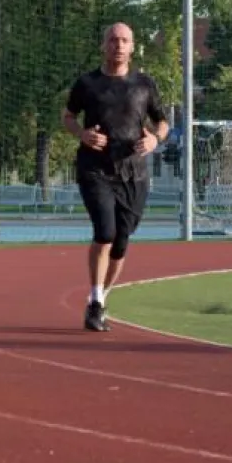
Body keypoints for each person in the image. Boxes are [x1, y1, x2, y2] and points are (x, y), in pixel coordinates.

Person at [62, 22, 169, 332]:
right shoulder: (87, 83)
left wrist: (155, 140)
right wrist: (82, 134)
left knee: (121, 241)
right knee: (105, 231)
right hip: (94, 169)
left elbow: (162, 122)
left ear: (132, 47)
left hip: (134, 173)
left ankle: (101, 299)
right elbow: (67, 116)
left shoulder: (144, 84)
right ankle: (95, 301)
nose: (118, 45)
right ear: (103, 45)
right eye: (112, 40)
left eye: (124, 41)